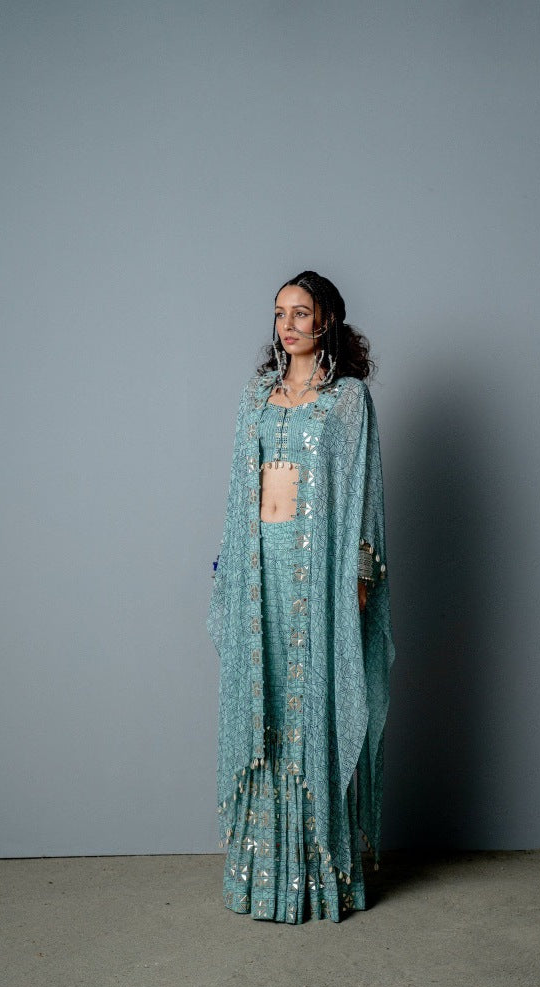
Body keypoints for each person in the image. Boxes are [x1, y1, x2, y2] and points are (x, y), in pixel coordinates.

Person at [206, 270, 395, 923]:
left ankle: (319, 878)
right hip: (260, 565)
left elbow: (364, 495)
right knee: (261, 705)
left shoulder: (346, 400)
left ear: (326, 321)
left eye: (301, 313)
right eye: (280, 313)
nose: (288, 325)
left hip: (317, 573)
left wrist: (361, 577)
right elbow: (238, 493)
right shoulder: (255, 396)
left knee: (312, 707)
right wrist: (230, 569)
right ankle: (260, 878)